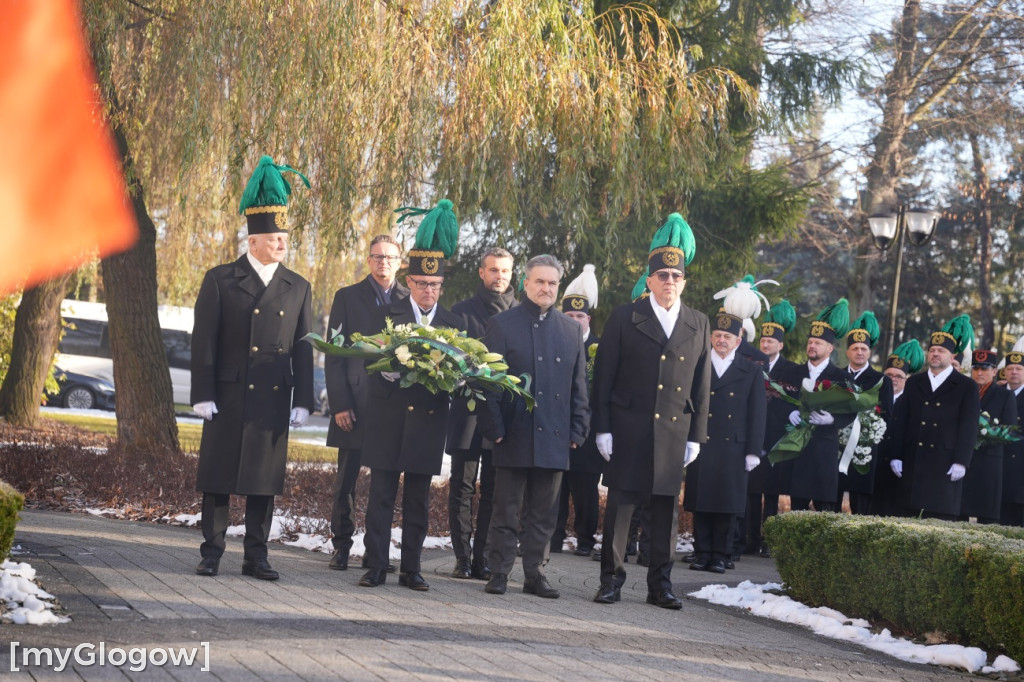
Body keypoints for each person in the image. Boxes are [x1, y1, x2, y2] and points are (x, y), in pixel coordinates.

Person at [191, 155, 314, 580]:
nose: (282, 245)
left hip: (272, 398)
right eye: (275, 238)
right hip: (227, 395)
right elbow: (203, 341)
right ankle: (211, 552)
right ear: (254, 241)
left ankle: (256, 557)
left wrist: (304, 399)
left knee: (264, 481)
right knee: (218, 478)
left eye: (285, 238)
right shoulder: (220, 279)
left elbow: (303, 347)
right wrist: (203, 394)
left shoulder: (298, 286)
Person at [591, 213, 710, 609]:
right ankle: (611, 582)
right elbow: (604, 378)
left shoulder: (698, 322)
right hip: (628, 427)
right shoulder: (626, 317)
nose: (669, 281)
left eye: (676, 276)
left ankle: (661, 587)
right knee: (621, 510)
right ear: (650, 280)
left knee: (664, 514)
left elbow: (702, 384)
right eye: (662, 275)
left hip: (674, 431)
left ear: (684, 281)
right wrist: (602, 428)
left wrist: (697, 436)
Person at [358, 200, 465, 592]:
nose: (428, 291)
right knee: (381, 497)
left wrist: (456, 379)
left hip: (427, 423)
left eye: (434, 285)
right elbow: (365, 361)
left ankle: (412, 569)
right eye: (421, 284)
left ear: (441, 286)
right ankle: (376, 565)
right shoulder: (387, 315)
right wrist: (383, 371)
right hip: (388, 419)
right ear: (410, 281)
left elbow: (463, 367)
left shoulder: (454, 323)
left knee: (418, 501)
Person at [476, 254, 590, 600]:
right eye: (539, 281)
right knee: (505, 509)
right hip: (513, 433)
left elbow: (579, 387)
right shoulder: (502, 324)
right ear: (525, 283)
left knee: (544, 513)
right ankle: (498, 572)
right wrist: (494, 428)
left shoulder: (571, 330)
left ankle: (535, 574)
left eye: (552, 283)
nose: (546, 288)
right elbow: (488, 382)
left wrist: (578, 431)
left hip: (555, 435)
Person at [324, 235, 409, 571]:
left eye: (390, 257)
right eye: (377, 256)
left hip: (391, 406)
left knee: (384, 485)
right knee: (346, 481)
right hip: (354, 405)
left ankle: (376, 552)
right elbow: (335, 354)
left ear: (400, 262)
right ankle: (341, 546)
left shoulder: (407, 299)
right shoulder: (347, 297)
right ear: (369, 259)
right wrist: (339, 404)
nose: (383, 262)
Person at [447, 247, 517, 580]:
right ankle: (462, 558)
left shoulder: (520, 313)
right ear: (481, 272)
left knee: (493, 490)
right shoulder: (461, 312)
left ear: (512, 274)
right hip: (468, 411)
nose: (499, 276)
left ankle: (483, 559)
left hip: (502, 415)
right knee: (461, 487)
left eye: (505, 271)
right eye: (493, 270)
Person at [684, 309, 765, 574]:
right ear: (710, 337)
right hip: (702, 441)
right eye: (718, 335)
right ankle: (701, 553)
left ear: (738, 341)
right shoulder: (698, 364)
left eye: (727, 337)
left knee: (727, 503)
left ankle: (721, 554)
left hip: (734, 447)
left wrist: (753, 451)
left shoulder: (751, 370)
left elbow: (757, 413)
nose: (721, 340)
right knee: (702, 500)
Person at [889, 315, 980, 519]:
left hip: (945, 463)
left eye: (941, 350)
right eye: (932, 350)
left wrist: (961, 461)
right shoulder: (915, 383)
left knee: (938, 519)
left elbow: (969, 426)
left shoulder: (966, 386)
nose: (935, 354)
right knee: (908, 520)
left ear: (952, 355)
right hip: (913, 461)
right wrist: (896, 455)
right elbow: (901, 421)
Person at [777, 298, 854, 512]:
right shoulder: (791, 373)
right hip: (797, 454)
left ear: (829, 348)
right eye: (810, 342)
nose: (812, 346)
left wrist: (832, 420)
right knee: (797, 512)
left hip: (823, 453)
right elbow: (778, 401)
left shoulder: (841, 377)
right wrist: (789, 412)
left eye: (818, 343)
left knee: (824, 512)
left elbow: (851, 410)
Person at [551, 265, 602, 557]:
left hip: (588, 434)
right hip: (557, 430)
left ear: (588, 319)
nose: (574, 321)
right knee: (556, 489)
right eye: (569, 316)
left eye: (579, 316)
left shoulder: (600, 348)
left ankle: (585, 540)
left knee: (586, 491)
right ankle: (553, 537)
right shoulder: (553, 345)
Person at [749, 299, 797, 556]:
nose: (765, 345)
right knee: (752, 491)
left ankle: (768, 540)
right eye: (763, 341)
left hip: (777, 437)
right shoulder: (753, 363)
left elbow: (790, 402)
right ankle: (750, 539)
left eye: (770, 342)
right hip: (754, 436)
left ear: (780, 345)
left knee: (771, 492)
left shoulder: (790, 369)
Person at [837, 311, 893, 515]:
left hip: (865, 451)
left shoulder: (881, 381)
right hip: (837, 449)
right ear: (847, 352)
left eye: (863, 348)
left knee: (861, 506)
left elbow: (886, 417)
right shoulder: (836, 376)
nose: (859, 352)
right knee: (831, 501)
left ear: (869, 352)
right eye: (855, 348)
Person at [960, 349, 1016, 524]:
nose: (979, 373)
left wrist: (985, 432)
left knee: (988, 517)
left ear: (994, 371)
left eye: (984, 369)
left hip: (989, 462)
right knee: (959, 514)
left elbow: (1010, 431)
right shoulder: (964, 391)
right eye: (976, 368)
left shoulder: (1005, 395)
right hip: (964, 460)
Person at [875, 340, 925, 516]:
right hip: (875, 467)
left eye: (898, 376)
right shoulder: (874, 397)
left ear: (907, 379)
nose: (893, 379)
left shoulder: (913, 402)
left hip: (899, 470)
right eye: (889, 375)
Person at [1001, 347, 1024, 526]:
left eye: (1019, 369)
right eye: (1010, 368)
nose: (1014, 372)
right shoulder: (997, 393)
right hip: (999, 464)